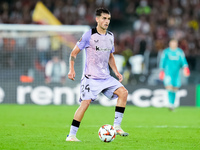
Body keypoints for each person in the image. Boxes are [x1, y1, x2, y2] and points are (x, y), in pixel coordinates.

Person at [66, 8, 129, 142]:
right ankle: (71, 135)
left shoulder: (110, 36)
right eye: (104, 18)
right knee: (85, 104)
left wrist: (116, 72)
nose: (107, 21)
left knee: (123, 92)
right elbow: (73, 53)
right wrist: (71, 70)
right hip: (91, 78)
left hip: (105, 77)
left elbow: (110, 56)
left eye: (108, 19)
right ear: (97, 19)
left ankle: (117, 126)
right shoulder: (89, 35)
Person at [159, 39, 190, 111]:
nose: (173, 44)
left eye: (174, 43)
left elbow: (183, 61)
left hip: (176, 74)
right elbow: (162, 61)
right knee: (169, 87)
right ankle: (170, 103)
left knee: (175, 89)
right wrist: (161, 71)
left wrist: (186, 68)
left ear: (176, 44)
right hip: (168, 73)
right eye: (172, 43)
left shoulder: (179, 52)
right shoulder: (166, 52)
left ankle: (172, 104)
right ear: (170, 44)